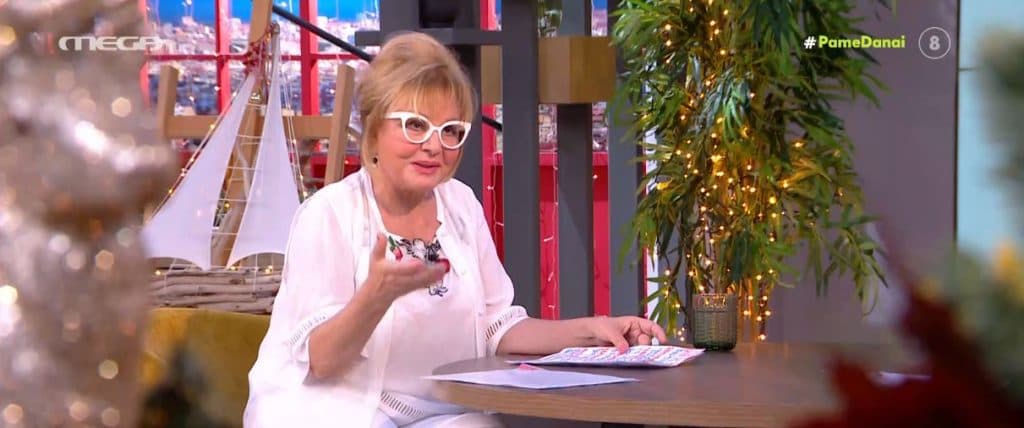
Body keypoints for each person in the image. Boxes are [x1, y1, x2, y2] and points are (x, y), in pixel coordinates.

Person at [243, 32, 667, 428]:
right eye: (415, 125)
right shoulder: (329, 214)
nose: (434, 146)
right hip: (334, 408)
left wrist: (592, 330)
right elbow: (322, 362)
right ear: (373, 127)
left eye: (451, 131)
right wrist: (375, 296)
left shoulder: (460, 204)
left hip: (439, 411)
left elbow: (496, 328)